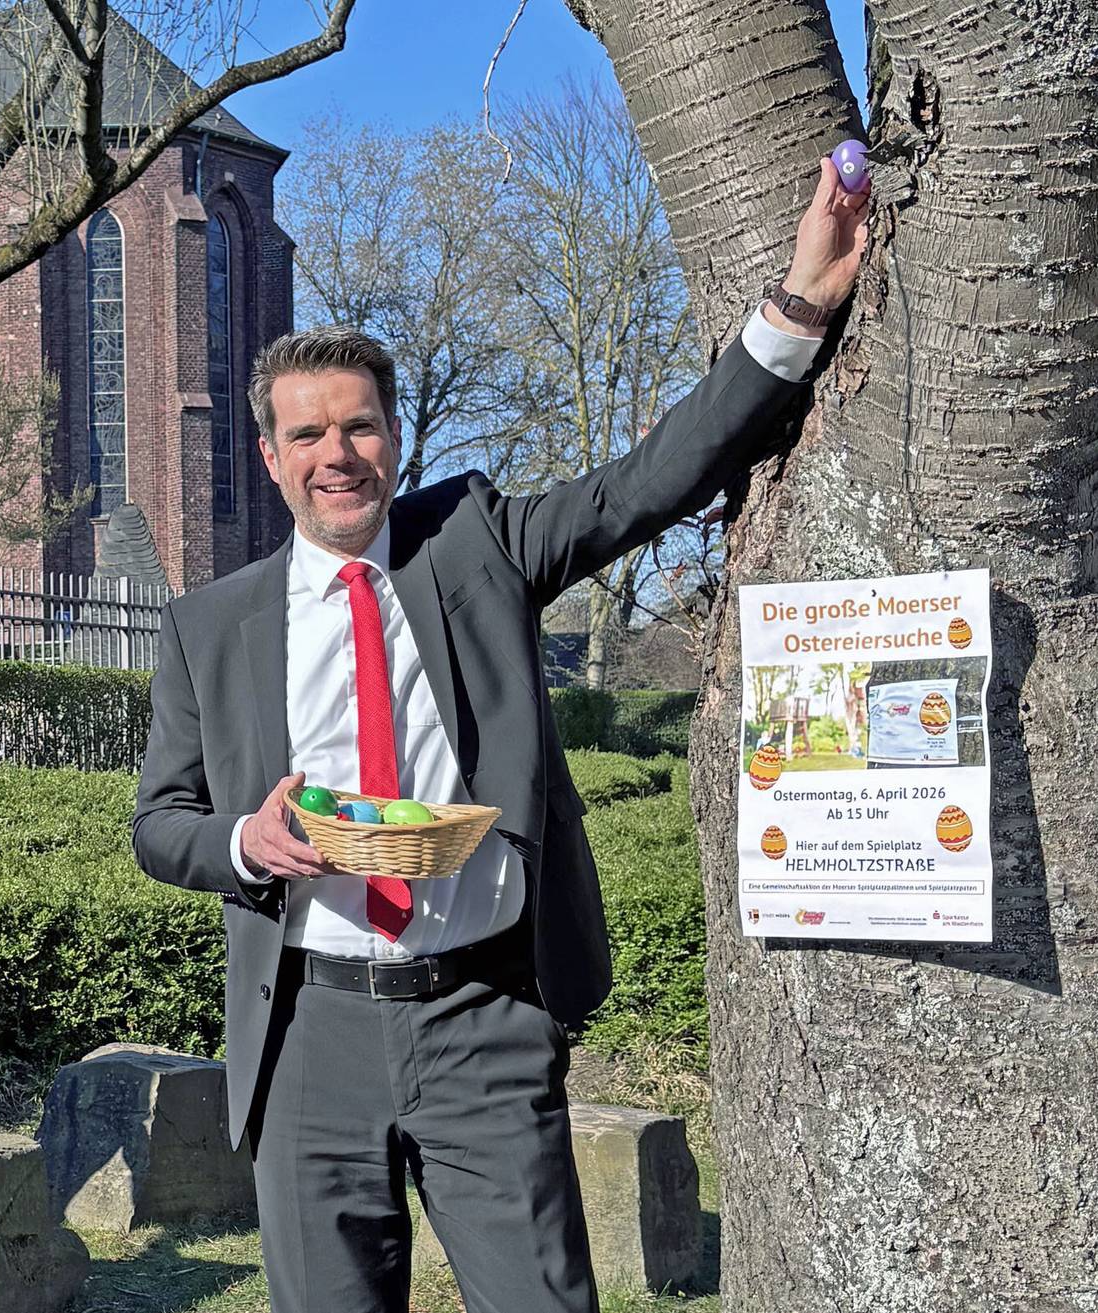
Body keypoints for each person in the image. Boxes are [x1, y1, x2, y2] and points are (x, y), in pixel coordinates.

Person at [131, 156, 869, 1312]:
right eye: (310, 434)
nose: (340, 454)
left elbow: (647, 484)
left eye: (362, 426)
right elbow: (158, 824)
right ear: (270, 459)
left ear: (394, 434)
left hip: (482, 1015)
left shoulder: (475, 541)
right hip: (308, 1033)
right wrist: (245, 842)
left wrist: (796, 311)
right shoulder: (208, 627)